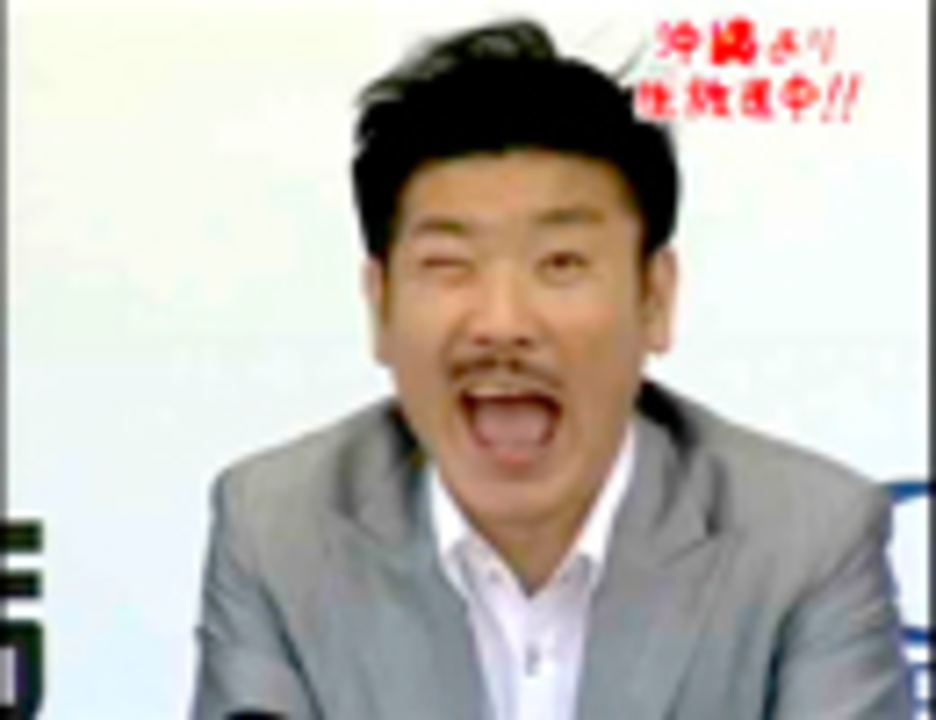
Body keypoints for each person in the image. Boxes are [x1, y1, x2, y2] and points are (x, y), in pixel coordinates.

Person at [190, 18, 911, 720]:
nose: (502, 323)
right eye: (449, 264)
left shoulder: (804, 540)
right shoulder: (278, 530)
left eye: (561, 264)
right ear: (380, 305)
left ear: (654, 299)